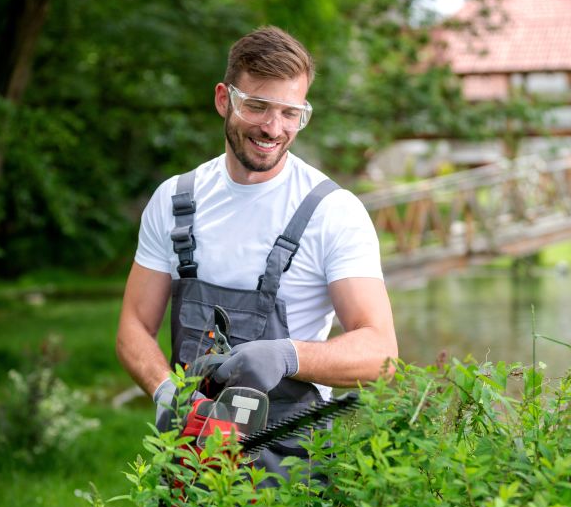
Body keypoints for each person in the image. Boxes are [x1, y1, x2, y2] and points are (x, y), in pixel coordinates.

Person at [115, 25, 398, 483]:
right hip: (189, 458)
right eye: (258, 106)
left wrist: (288, 356)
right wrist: (166, 392)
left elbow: (381, 354)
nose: (273, 128)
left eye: (291, 113)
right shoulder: (174, 200)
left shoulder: (332, 212)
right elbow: (133, 326)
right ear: (224, 99)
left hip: (291, 469)